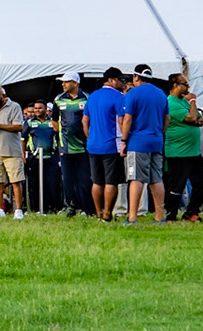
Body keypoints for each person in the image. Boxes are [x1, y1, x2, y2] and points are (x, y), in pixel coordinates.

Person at [118, 70, 168, 223]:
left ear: (136, 76)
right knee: (156, 179)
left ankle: (132, 217)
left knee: (136, 178)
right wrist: (159, 133)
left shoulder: (133, 93)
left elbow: (127, 119)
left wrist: (124, 140)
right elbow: (167, 118)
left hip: (138, 142)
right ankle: (159, 217)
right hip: (156, 140)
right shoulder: (160, 93)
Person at [84, 68, 128, 220]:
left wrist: (90, 137)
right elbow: (122, 121)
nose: (123, 83)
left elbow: (85, 121)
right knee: (111, 182)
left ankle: (98, 213)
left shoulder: (92, 96)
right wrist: (125, 141)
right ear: (111, 80)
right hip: (111, 145)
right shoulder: (119, 97)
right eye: (121, 80)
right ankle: (107, 214)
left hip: (93, 145)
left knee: (97, 182)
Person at [162, 74, 203, 221]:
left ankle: (191, 212)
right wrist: (192, 101)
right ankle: (171, 215)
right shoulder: (171, 103)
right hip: (178, 153)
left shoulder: (183, 102)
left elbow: (201, 119)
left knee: (201, 182)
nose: (188, 87)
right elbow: (193, 118)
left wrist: (194, 114)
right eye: (185, 84)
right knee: (176, 186)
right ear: (175, 85)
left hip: (194, 153)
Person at [0, 85, 25, 219]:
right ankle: (0, 209)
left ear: (4, 96)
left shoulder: (14, 107)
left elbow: (19, 126)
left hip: (12, 151)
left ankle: (18, 210)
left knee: (16, 181)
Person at [54, 75, 90, 216]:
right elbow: (55, 121)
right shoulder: (58, 99)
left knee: (84, 180)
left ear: (75, 83)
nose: (63, 84)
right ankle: (70, 207)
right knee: (68, 180)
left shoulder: (87, 98)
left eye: (66, 81)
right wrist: (62, 134)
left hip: (83, 146)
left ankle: (86, 208)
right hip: (66, 147)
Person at [26, 102, 61, 214]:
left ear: (46, 109)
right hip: (35, 158)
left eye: (40, 108)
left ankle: (55, 208)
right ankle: (37, 208)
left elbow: (59, 138)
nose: (37, 110)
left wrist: (60, 155)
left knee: (53, 183)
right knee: (35, 184)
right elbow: (22, 139)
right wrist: (23, 155)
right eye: (35, 108)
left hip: (51, 157)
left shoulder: (52, 122)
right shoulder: (29, 122)